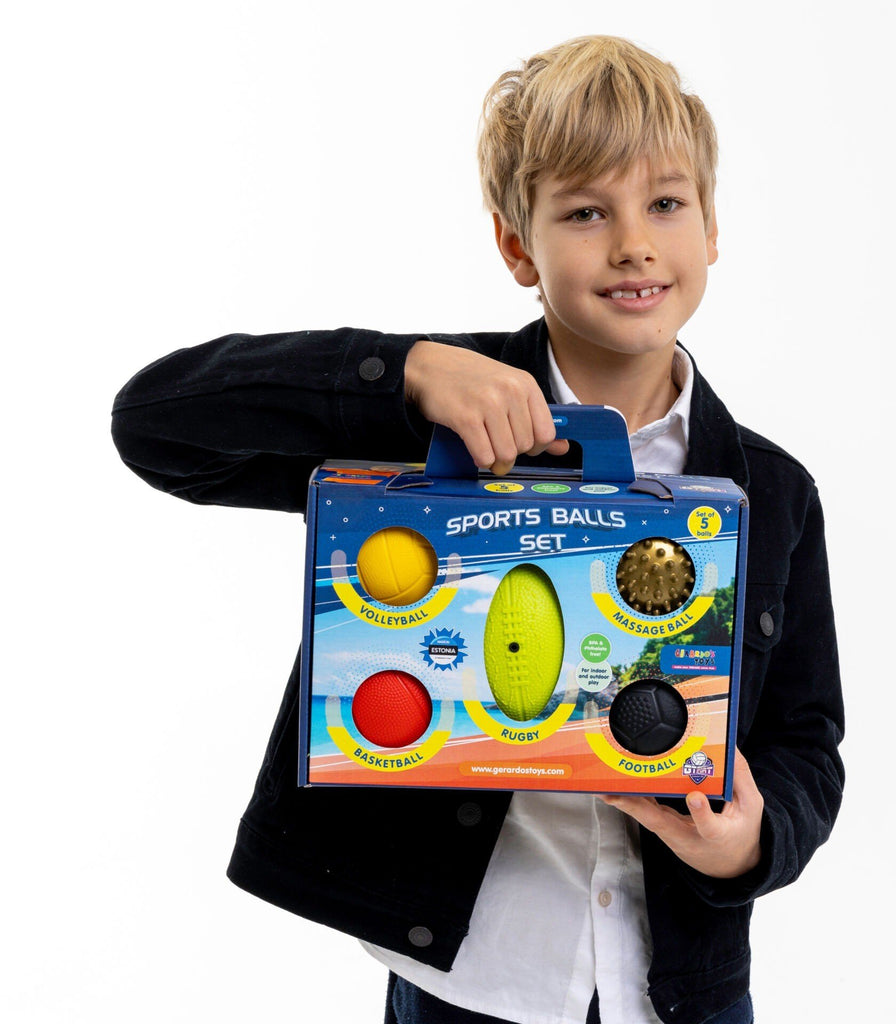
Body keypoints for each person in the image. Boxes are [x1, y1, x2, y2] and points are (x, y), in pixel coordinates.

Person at [111, 35, 843, 1024]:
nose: (633, 243)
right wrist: (404, 371)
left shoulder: (772, 491)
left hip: (682, 989)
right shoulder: (433, 424)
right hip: (472, 981)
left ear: (712, 226)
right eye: (585, 212)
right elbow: (157, 427)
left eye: (666, 203)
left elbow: (805, 741)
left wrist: (751, 843)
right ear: (515, 246)